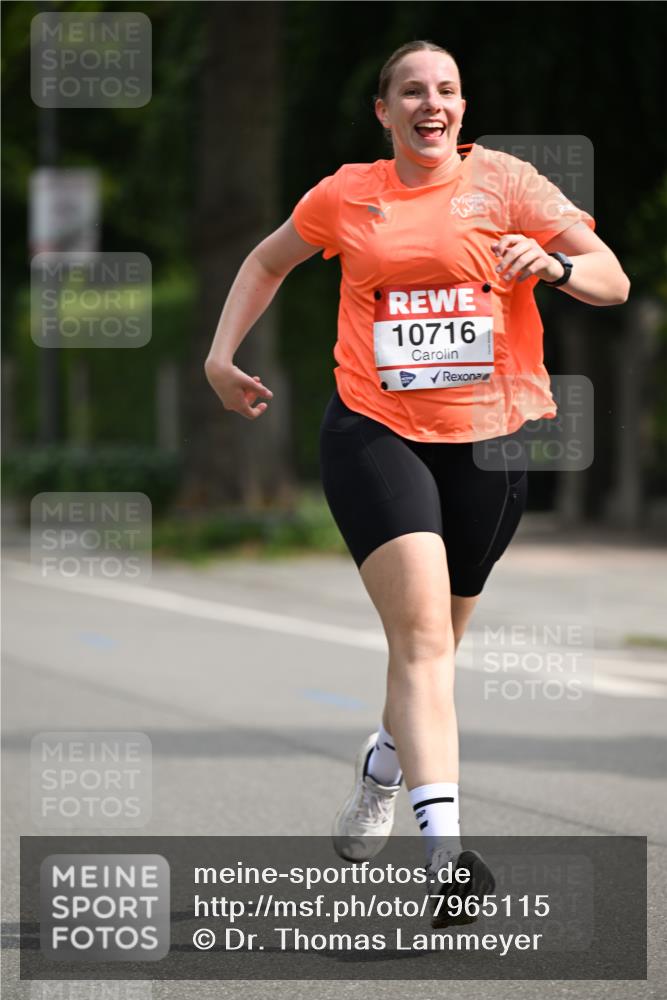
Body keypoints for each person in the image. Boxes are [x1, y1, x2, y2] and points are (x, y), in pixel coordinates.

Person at [205, 40, 630, 927]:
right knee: (425, 640)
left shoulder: (508, 183)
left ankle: (381, 769)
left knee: (432, 649)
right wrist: (219, 357)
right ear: (384, 112)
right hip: (374, 431)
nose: (430, 104)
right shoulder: (346, 194)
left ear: (461, 110)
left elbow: (610, 279)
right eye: (411, 92)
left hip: (488, 441)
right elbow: (264, 261)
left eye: (446, 91)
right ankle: (446, 861)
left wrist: (549, 265)